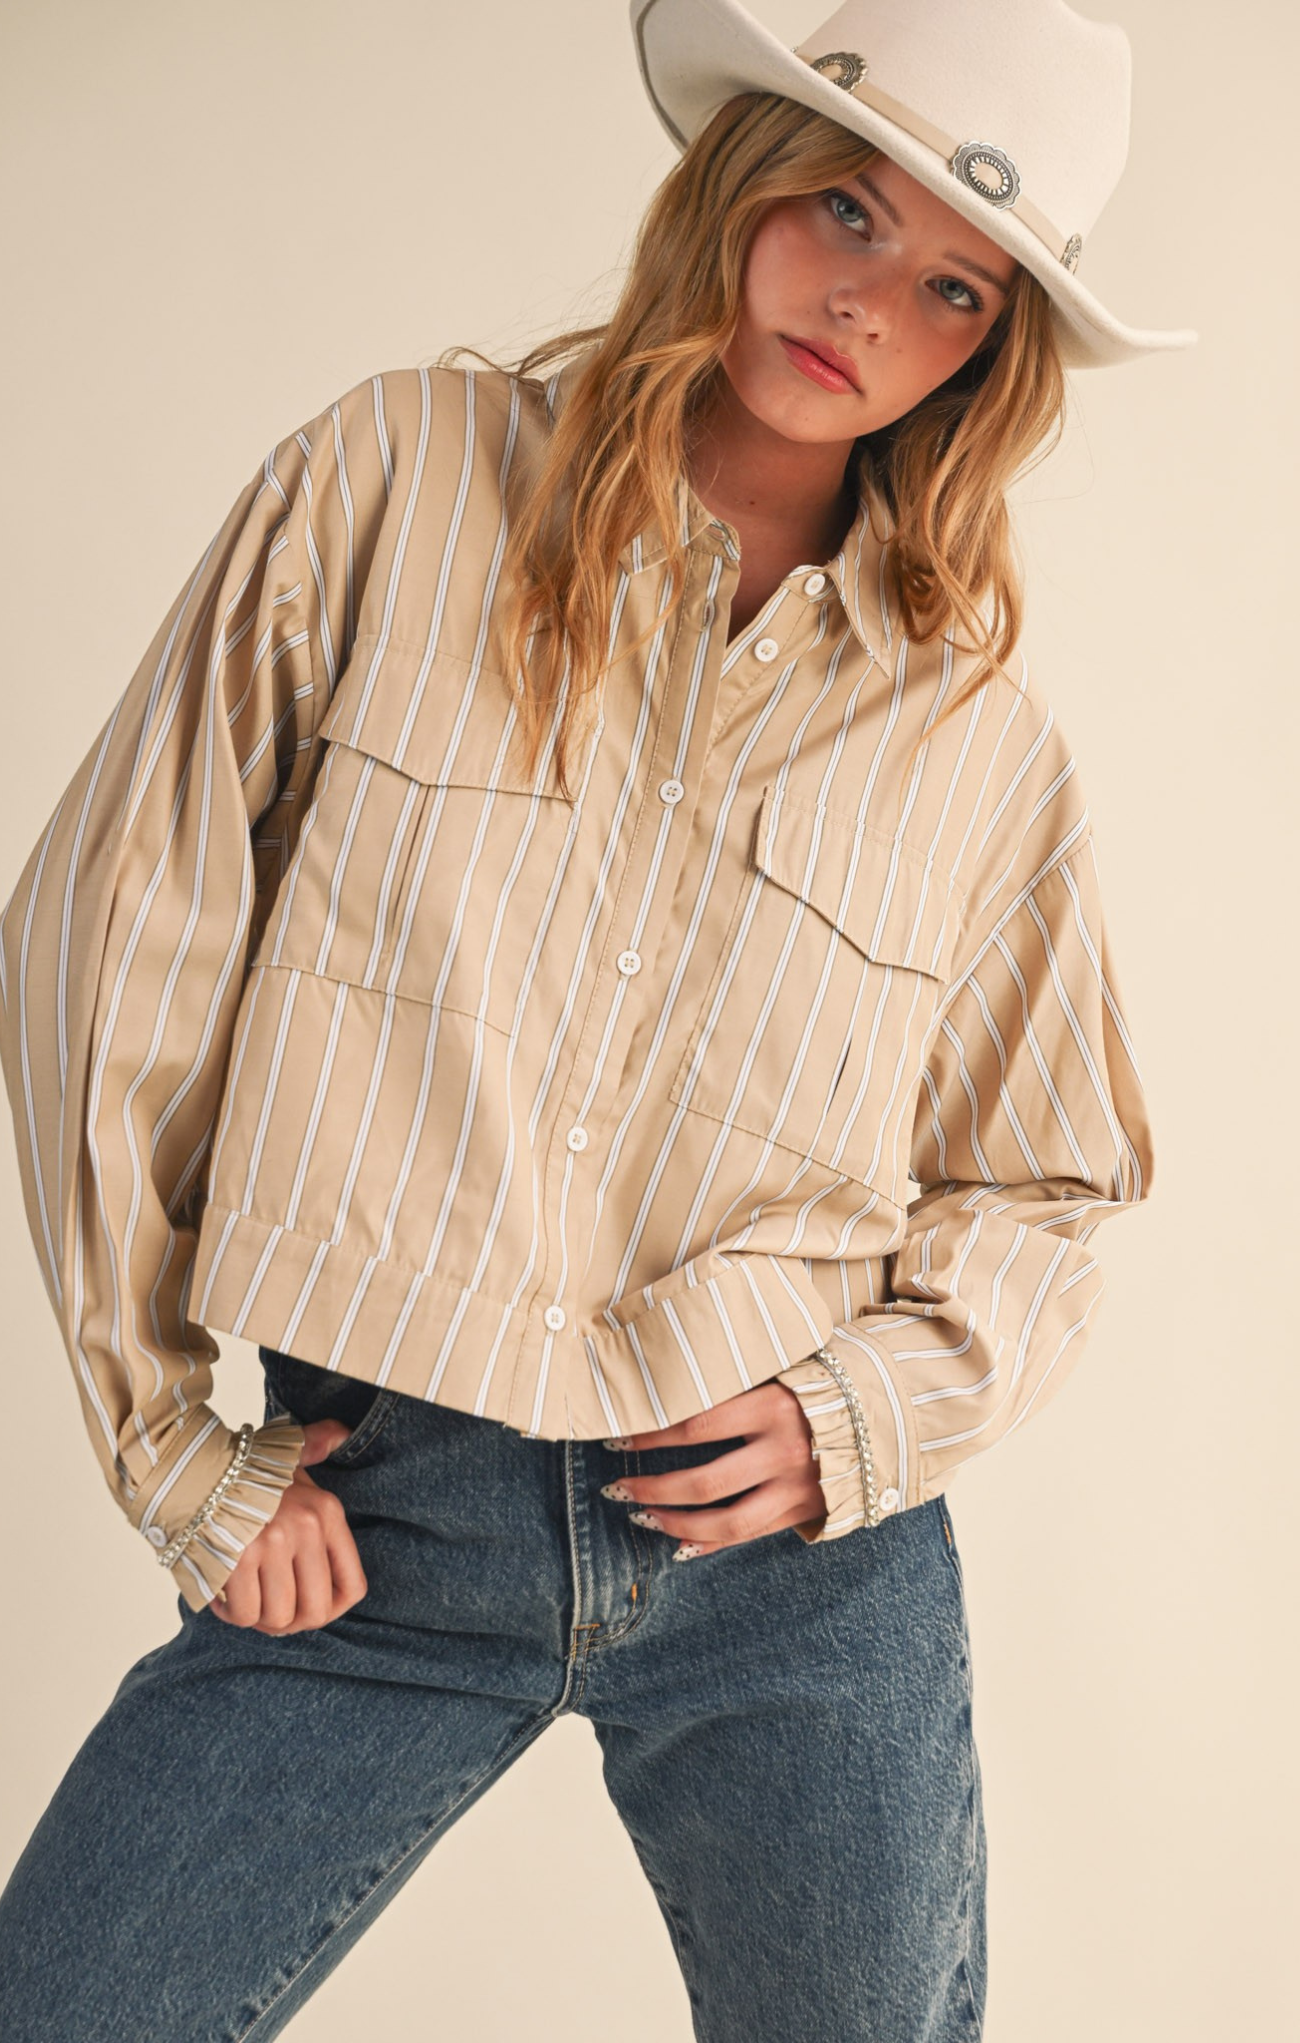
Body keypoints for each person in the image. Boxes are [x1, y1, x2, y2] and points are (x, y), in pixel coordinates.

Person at [0, 1, 1194, 2036]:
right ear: (738, 186)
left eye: (949, 287)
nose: (865, 300)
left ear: (983, 351)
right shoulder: (395, 475)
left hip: (792, 1563)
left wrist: (860, 1418)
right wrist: (172, 1443)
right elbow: (118, 937)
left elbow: (1051, 1174)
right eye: (839, 204)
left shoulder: (971, 737)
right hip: (378, 1511)